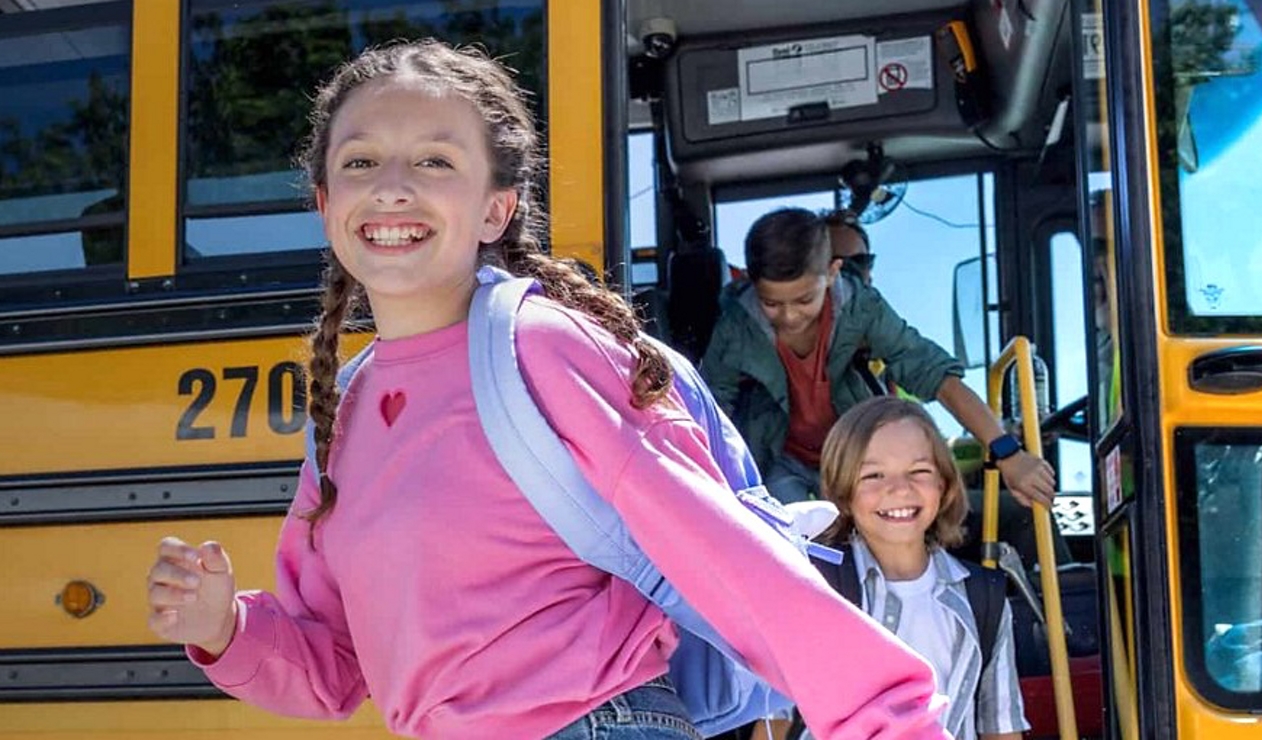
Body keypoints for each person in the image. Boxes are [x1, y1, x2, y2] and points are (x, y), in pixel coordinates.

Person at [144, 40, 954, 740]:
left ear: (497, 208)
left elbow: (718, 553)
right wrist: (228, 628)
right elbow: (338, 663)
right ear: (326, 203)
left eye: (434, 160)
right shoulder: (341, 415)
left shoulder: (538, 347)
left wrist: (886, 715)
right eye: (360, 161)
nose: (392, 185)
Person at [700, 207, 1054, 509]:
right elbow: (709, 409)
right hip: (778, 458)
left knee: (871, 535)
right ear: (752, 284)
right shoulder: (736, 327)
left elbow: (933, 373)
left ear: (833, 273)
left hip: (854, 455)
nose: (790, 317)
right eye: (772, 303)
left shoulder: (862, 308)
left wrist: (1008, 453)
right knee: (792, 542)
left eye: (805, 300)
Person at [814, 397, 1029, 740]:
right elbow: (778, 719)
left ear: (944, 486)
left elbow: (1001, 726)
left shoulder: (983, 598)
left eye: (919, 472)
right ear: (843, 491)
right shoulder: (815, 590)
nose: (899, 488)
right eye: (873, 475)